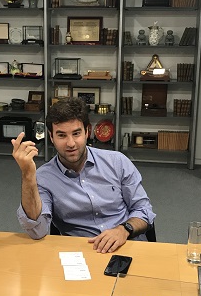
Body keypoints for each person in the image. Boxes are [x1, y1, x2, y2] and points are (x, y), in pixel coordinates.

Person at [11, 97, 155, 253]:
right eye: (61, 135)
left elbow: (144, 210)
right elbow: (37, 231)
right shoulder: (44, 177)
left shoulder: (117, 162)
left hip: (128, 244)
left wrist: (124, 229)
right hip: (84, 253)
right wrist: (27, 175)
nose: (71, 143)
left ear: (87, 132)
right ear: (51, 137)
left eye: (76, 133)